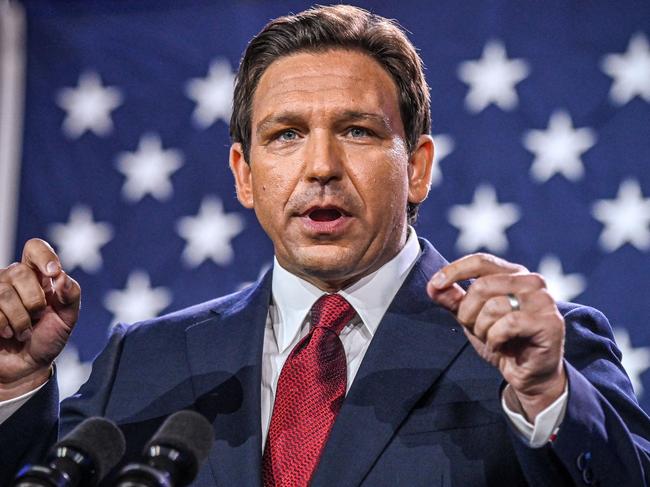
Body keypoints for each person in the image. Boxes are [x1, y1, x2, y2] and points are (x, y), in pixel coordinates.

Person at [0, 5, 648, 486]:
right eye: (285, 134)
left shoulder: (536, 354)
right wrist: (19, 388)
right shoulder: (143, 360)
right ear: (243, 174)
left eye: (358, 130)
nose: (320, 167)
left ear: (417, 166)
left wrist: (544, 397)